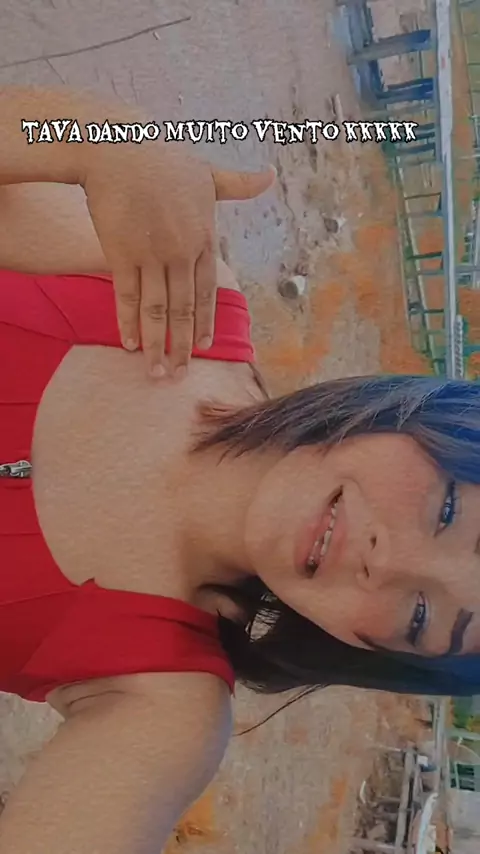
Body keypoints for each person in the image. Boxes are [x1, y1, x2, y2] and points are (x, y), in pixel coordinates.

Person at [0, 85, 479, 854]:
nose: (387, 564)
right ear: (424, 415)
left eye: (422, 618)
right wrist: (100, 138)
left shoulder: (162, 701)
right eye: (449, 511)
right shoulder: (173, 293)